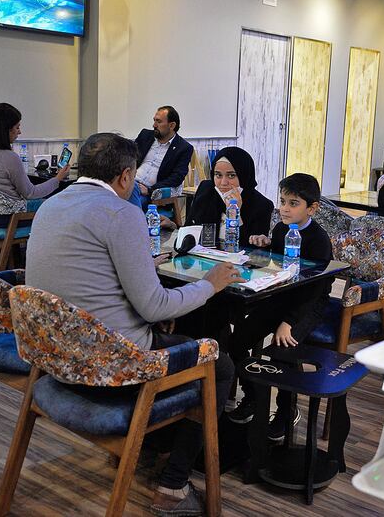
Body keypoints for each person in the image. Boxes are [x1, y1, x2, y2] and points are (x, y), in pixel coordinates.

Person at [25, 132, 242, 516]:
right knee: (220, 363)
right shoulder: (121, 212)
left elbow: (91, 273)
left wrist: (144, 265)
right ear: (126, 177)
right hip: (112, 362)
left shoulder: (50, 205)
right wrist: (211, 285)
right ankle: (173, 486)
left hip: (55, 355)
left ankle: (154, 446)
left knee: (179, 333)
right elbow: (155, 305)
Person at [226, 173, 333, 442]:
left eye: (293, 203)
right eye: (282, 201)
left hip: (307, 305)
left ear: (312, 208)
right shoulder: (281, 229)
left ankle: (286, 411)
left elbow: (316, 288)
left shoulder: (319, 240)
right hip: (280, 297)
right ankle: (252, 397)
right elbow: (278, 268)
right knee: (237, 340)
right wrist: (266, 244)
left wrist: (288, 321)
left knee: (282, 351)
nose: (284, 208)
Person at [0, 103, 70, 227]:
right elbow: (30, 193)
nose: (20, 132)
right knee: (59, 203)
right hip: (9, 218)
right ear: (5, 129)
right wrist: (58, 179)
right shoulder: (9, 157)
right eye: (17, 127)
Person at [186, 146, 274, 245]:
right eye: (218, 175)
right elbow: (189, 229)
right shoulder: (206, 190)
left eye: (231, 175)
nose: (223, 183)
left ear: (244, 176)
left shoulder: (262, 205)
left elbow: (253, 250)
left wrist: (235, 215)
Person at [128, 105, 194, 210]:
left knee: (130, 203)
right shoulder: (145, 135)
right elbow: (129, 157)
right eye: (154, 120)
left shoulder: (183, 148)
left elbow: (177, 177)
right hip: (130, 182)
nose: (154, 125)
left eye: (158, 122)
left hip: (147, 191)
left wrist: (151, 190)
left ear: (172, 125)